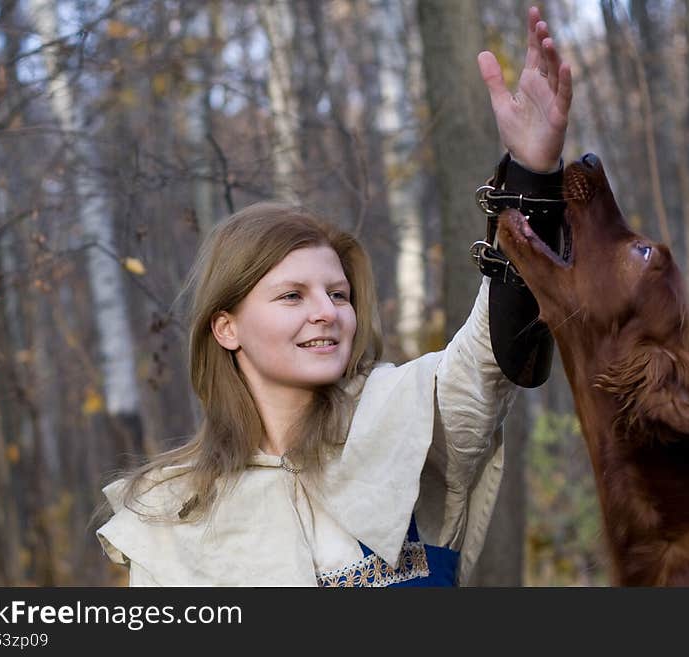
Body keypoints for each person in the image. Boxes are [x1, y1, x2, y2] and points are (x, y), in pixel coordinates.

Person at [95, 6, 572, 587]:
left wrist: (531, 178)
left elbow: (492, 356)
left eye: (338, 293)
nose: (327, 311)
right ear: (227, 328)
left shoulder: (408, 422)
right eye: (291, 296)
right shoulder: (172, 516)